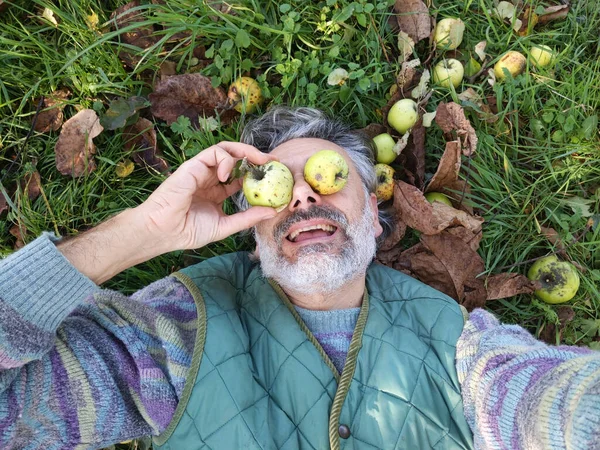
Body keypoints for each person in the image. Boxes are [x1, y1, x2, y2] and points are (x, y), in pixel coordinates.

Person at [1, 106, 598, 450]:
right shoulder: (173, 336)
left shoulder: (462, 348)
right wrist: (143, 231)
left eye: (329, 176)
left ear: (375, 210)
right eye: (277, 185)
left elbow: (548, 402)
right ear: (250, 231)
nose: (304, 193)